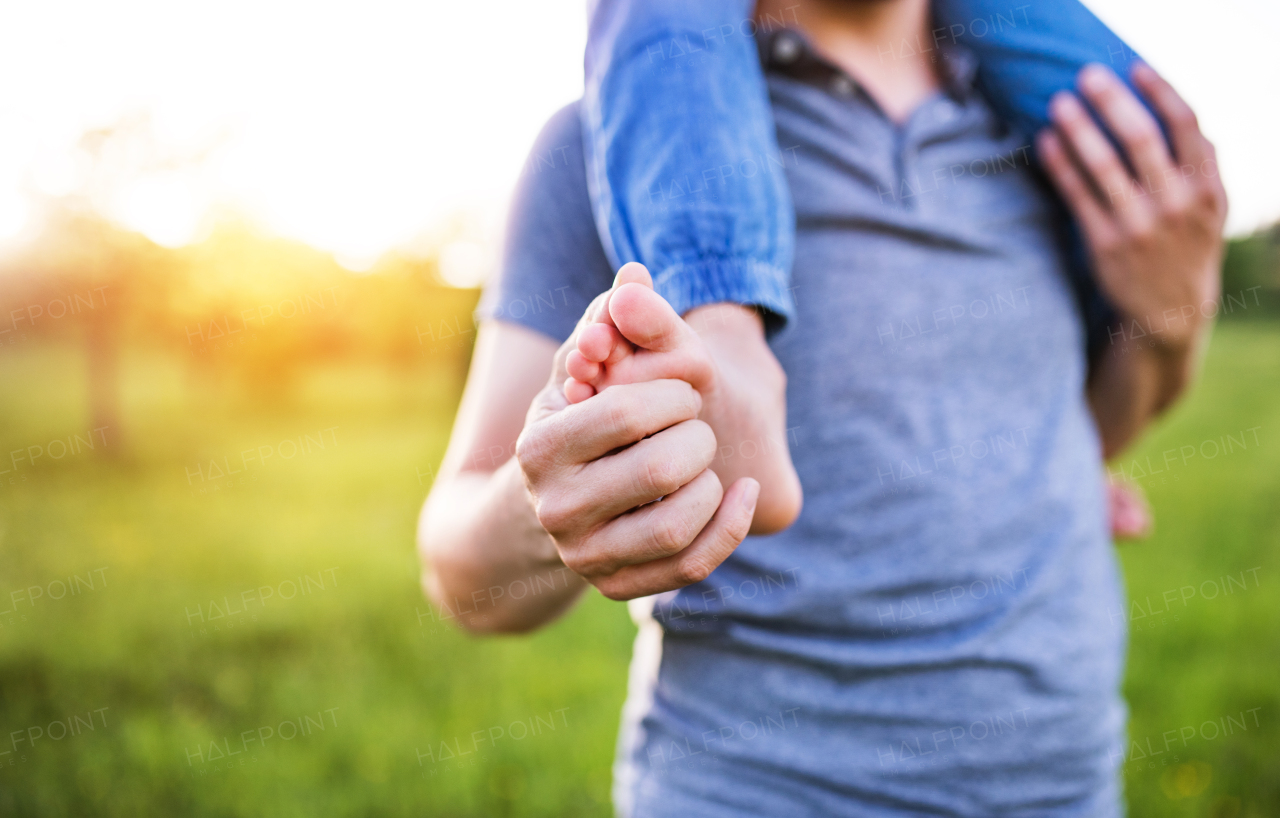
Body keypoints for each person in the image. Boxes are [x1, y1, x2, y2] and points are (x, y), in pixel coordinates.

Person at [418, 0, 1226, 814]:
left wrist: (1172, 319)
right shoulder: (616, 142)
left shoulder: (1075, 144)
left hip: (1062, 788)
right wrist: (553, 501)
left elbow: (1080, 436)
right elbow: (458, 573)